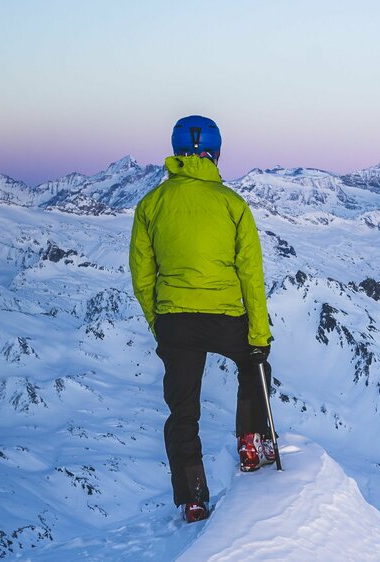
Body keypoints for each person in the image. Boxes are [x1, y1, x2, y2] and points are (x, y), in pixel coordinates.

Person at [129, 115, 276, 523]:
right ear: (216, 153)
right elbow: (251, 274)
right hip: (227, 317)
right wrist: (258, 335)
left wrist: (159, 322)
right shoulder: (233, 204)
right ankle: (251, 443)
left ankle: (193, 498)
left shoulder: (151, 205)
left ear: (177, 152)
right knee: (253, 363)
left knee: (183, 412)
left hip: (176, 322)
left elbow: (143, 274)